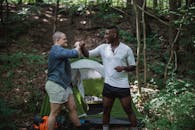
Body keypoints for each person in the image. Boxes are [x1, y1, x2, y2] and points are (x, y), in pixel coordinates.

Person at [80, 26, 138, 130]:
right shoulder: (103, 48)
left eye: (107, 34)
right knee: (106, 110)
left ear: (114, 35)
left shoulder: (126, 49)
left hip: (122, 86)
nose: (105, 36)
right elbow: (88, 54)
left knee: (128, 110)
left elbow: (133, 66)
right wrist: (82, 47)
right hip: (108, 86)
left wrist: (123, 68)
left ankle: (134, 128)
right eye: (105, 33)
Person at [45, 31, 89, 130]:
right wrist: (78, 45)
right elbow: (74, 53)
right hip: (56, 84)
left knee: (72, 108)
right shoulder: (56, 49)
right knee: (54, 113)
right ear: (57, 40)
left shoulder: (60, 51)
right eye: (64, 39)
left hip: (65, 85)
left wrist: (79, 48)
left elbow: (75, 54)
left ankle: (79, 127)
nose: (66, 40)